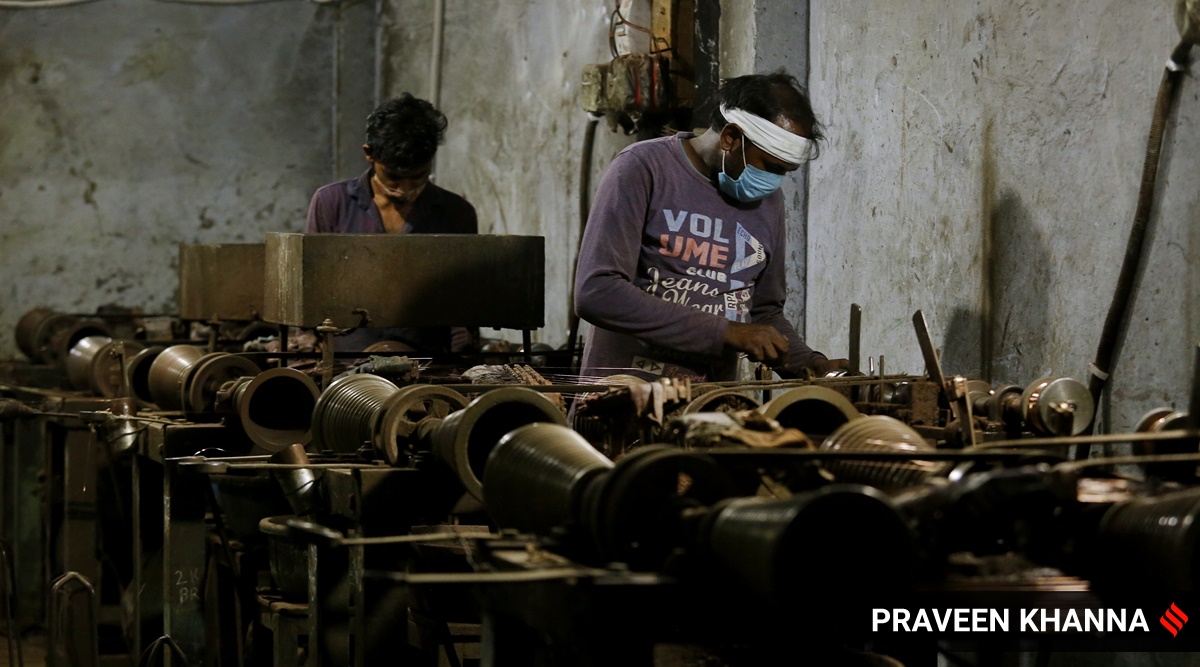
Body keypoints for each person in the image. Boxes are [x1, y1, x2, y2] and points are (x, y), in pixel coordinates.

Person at [574, 70, 846, 382]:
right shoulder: (643, 168)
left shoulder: (769, 203)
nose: (773, 182)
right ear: (730, 137)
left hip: (710, 409)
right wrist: (726, 332)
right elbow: (597, 291)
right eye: (770, 167)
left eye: (784, 172)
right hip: (621, 399)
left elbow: (762, 313)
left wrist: (812, 365)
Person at [305, 93, 478, 353]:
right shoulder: (331, 202)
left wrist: (463, 355)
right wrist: (307, 341)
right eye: (394, 177)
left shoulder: (456, 213)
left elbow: (464, 300)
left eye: (417, 177)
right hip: (345, 363)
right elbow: (310, 287)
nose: (404, 189)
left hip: (429, 362)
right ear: (369, 154)